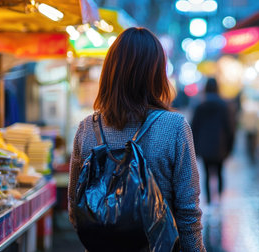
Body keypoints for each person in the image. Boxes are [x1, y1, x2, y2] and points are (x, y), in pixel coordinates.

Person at [68, 27, 205, 251]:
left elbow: (75, 208)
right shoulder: (174, 127)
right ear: (156, 73)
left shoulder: (86, 129)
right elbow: (188, 213)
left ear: (110, 72)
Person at [191, 78, 235, 204]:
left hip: (203, 147)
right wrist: (230, 146)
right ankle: (219, 201)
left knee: (206, 174)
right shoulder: (224, 105)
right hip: (220, 146)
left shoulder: (200, 106)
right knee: (220, 172)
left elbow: (194, 128)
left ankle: (209, 202)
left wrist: (195, 147)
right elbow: (230, 127)